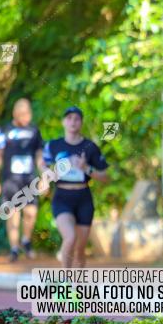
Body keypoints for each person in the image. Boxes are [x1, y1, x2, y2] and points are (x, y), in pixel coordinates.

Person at [40, 106, 109, 268]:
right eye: (69, 118)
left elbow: (105, 177)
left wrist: (86, 168)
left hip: (83, 197)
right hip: (62, 197)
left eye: (76, 119)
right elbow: (43, 166)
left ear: (81, 123)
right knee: (70, 237)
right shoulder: (53, 145)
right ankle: (65, 282)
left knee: (80, 249)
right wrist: (47, 176)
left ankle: (77, 287)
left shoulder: (90, 147)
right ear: (64, 122)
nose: (73, 122)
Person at [0, 98, 43, 262]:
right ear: (16, 113)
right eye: (24, 114)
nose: (27, 117)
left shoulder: (34, 130)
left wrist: (44, 177)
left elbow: (39, 155)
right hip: (9, 180)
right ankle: (14, 249)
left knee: (31, 212)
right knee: (12, 214)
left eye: (29, 113)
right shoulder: (4, 130)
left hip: (29, 179)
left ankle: (26, 240)